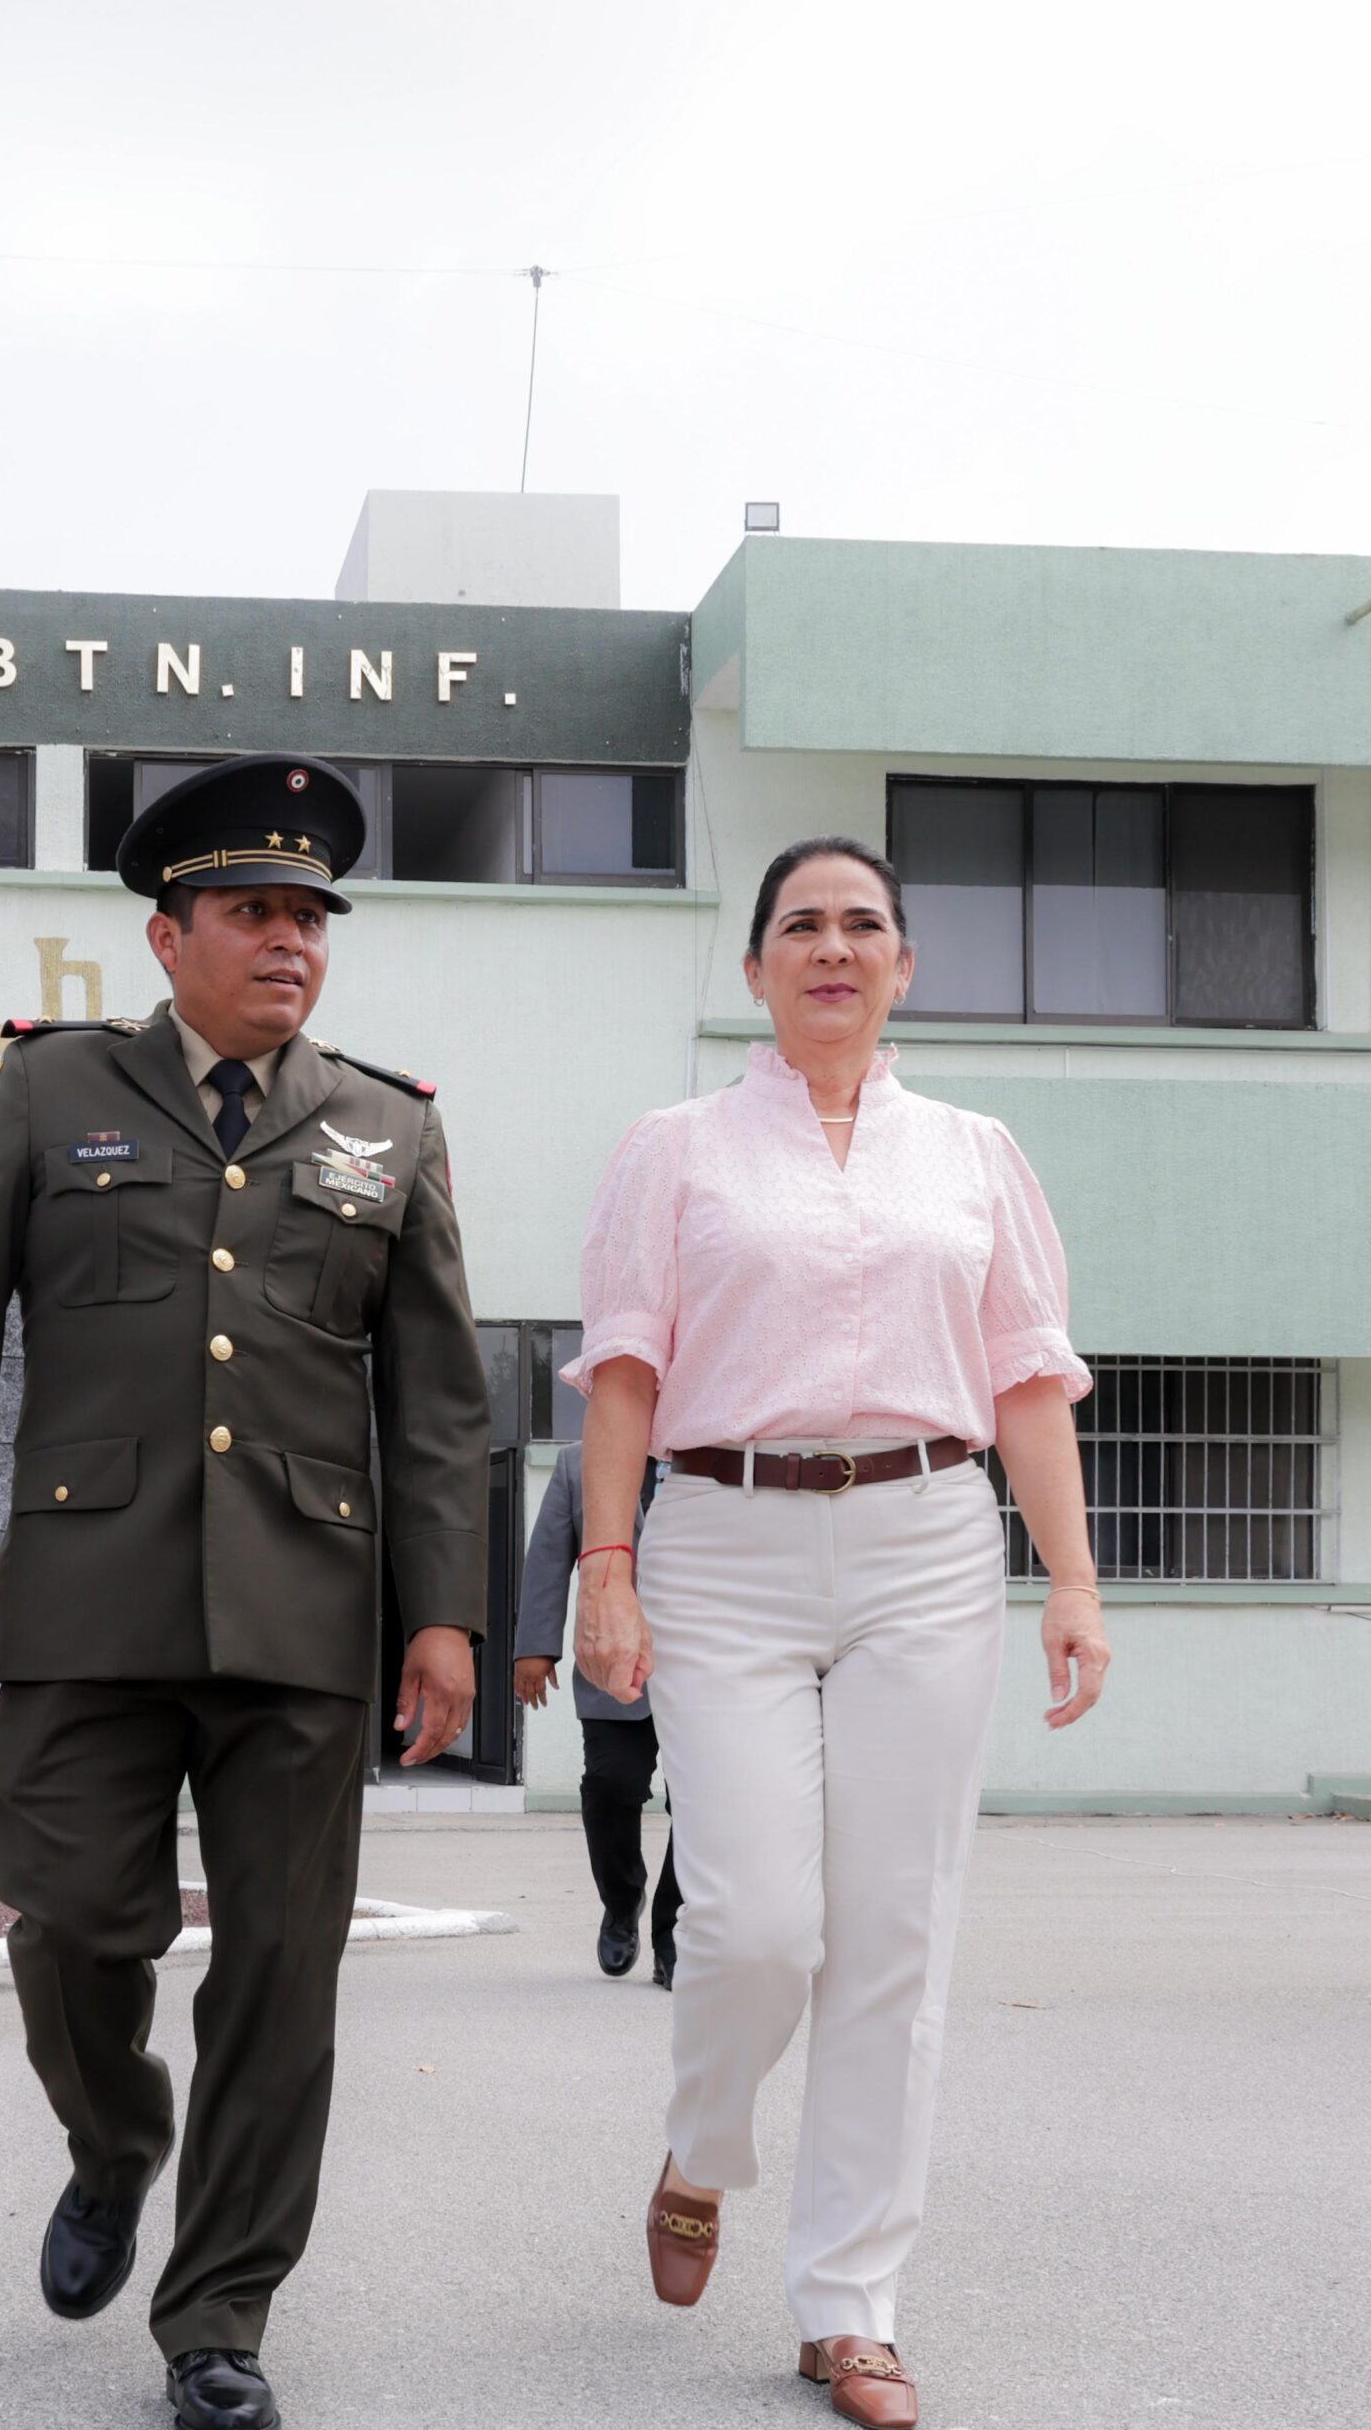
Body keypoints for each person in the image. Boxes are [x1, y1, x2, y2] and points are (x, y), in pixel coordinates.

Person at [0, 753, 489, 2430]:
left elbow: (437, 1396)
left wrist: (441, 1614)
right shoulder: (48, 1091)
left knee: (285, 1979)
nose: (288, 941)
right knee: (77, 1924)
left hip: (307, 1611)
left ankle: (218, 2317)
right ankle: (113, 2139)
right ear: (170, 937)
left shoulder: (389, 1125)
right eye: (252, 912)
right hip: (89, 1597)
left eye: (309, 917)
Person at [566, 834, 1109, 2430]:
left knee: (894, 1940)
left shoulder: (975, 1151)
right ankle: (703, 2150)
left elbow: (1025, 1375)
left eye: (864, 924)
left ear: (903, 966)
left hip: (930, 1542)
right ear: (754, 970)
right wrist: (609, 1559)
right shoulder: (673, 1149)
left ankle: (850, 2307)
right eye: (799, 924)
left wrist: (1071, 1580)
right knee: (753, 1926)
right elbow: (622, 1371)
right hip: (723, 1541)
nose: (832, 946)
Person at [513, 1443, 681, 1985]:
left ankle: (672, 1930)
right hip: (613, 1663)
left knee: (703, 1801)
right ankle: (622, 1901)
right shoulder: (577, 1463)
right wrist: (535, 1648)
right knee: (612, 1785)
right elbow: (548, 1557)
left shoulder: (715, 1449)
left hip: (705, 1668)